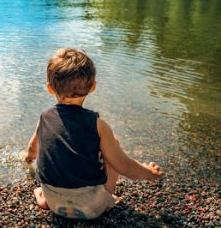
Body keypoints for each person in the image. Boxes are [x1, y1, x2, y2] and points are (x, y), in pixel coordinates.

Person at [24, 48, 164, 219]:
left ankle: (42, 196)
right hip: (92, 208)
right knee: (113, 143)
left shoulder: (44, 118)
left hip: (54, 203)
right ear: (93, 87)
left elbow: (32, 150)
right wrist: (149, 173)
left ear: (50, 88)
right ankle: (107, 198)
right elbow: (124, 166)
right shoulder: (98, 125)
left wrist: (28, 160)